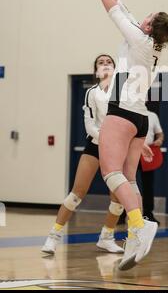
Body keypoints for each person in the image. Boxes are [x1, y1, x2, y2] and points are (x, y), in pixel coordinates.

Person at [89, 0, 168, 270]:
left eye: (147, 16)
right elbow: (122, 6)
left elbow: (114, 11)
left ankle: (138, 223)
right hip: (139, 117)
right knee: (129, 178)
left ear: (149, 25)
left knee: (110, 172)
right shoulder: (151, 43)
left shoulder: (139, 39)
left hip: (122, 111)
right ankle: (134, 236)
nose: (142, 17)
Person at [42, 54, 124, 255]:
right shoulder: (91, 93)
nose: (105, 64)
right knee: (76, 193)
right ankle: (53, 237)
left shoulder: (124, 92)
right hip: (96, 146)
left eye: (109, 62)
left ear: (115, 69)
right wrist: (105, 140)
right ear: (96, 71)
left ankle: (106, 237)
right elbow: (90, 124)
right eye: (101, 62)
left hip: (118, 149)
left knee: (118, 198)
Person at [139, 109, 164, 224]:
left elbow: (160, 134)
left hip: (148, 152)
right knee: (126, 184)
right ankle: (122, 213)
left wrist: (159, 140)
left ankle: (148, 214)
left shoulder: (152, 115)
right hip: (130, 151)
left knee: (148, 185)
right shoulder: (127, 113)